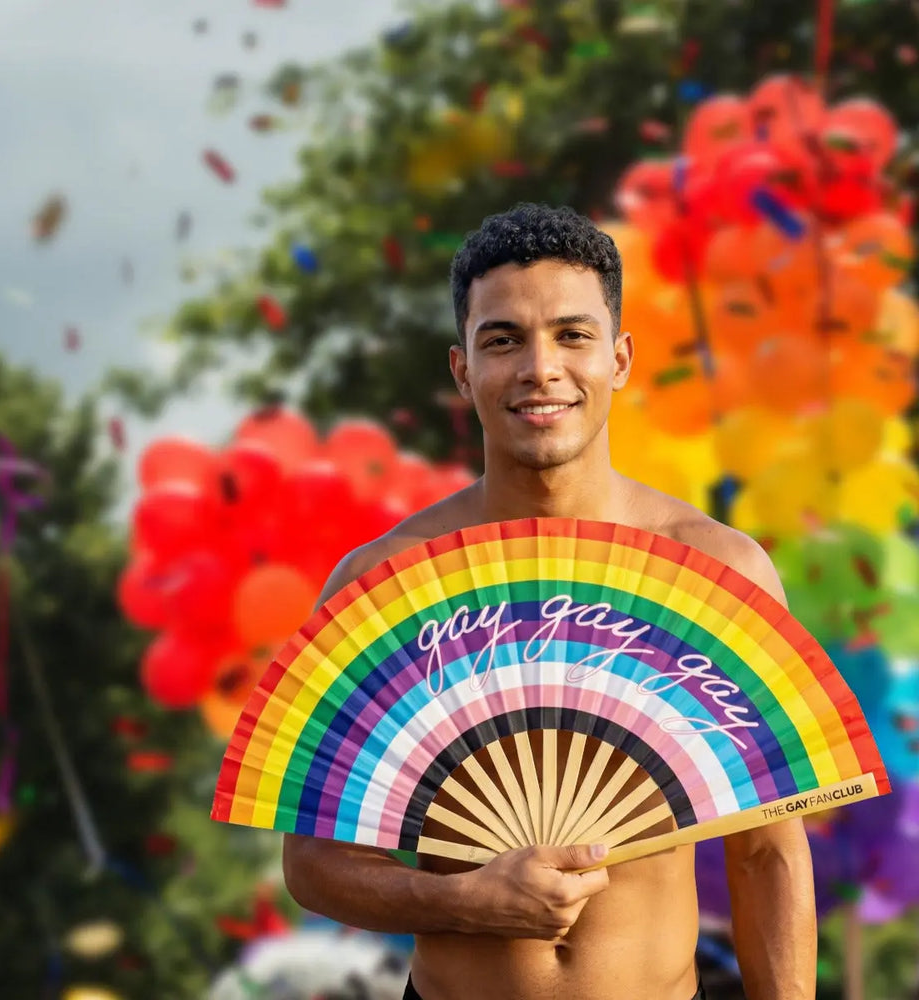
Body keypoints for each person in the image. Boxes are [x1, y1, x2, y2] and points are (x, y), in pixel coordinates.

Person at [282, 204, 816, 1000]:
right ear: (462, 368)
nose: (541, 368)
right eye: (503, 340)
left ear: (621, 358)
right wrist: (464, 903)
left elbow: (768, 851)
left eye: (573, 335)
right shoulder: (385, 583)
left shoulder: (713, 569)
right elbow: (314, 865)